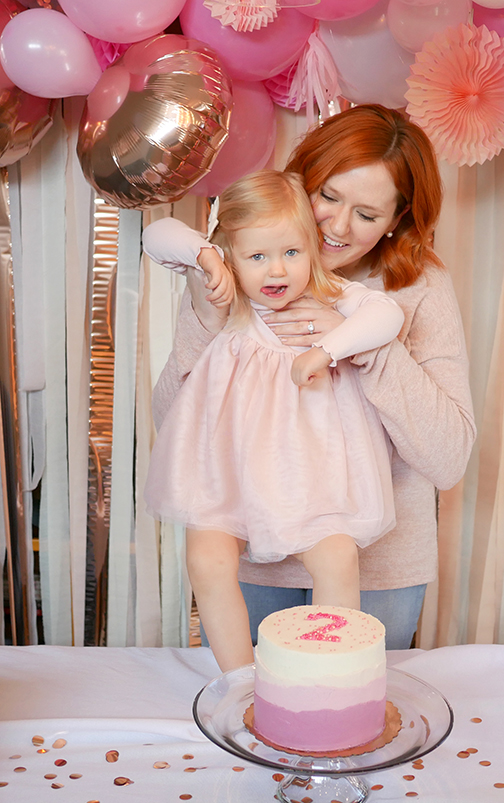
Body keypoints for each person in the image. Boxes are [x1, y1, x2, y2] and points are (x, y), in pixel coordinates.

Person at [146, 104, 476, 651]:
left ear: (398, 219)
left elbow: (448, 459)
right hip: (254, 558)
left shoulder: (417, 287)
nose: (338, 227)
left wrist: (362, 348)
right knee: (254, 716)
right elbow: (177, 427)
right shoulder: (242, 268)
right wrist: (205, 321)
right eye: (328, 197)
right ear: (299, 183)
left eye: (368, 215)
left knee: (344, 715)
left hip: (376, 569)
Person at [143, 169, 404, 671]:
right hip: (228, 470)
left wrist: (326, 350)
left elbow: (386, 316)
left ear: (311, 246)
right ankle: (241, 681)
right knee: (207, 559)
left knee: (337, 559)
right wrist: (205, 258)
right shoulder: (227, 293)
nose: (276, 271)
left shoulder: (330, 295)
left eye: (291, 252)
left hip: (314, 473)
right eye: (256, 256)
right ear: (231, 256)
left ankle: (328, 679)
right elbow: (158, 235)